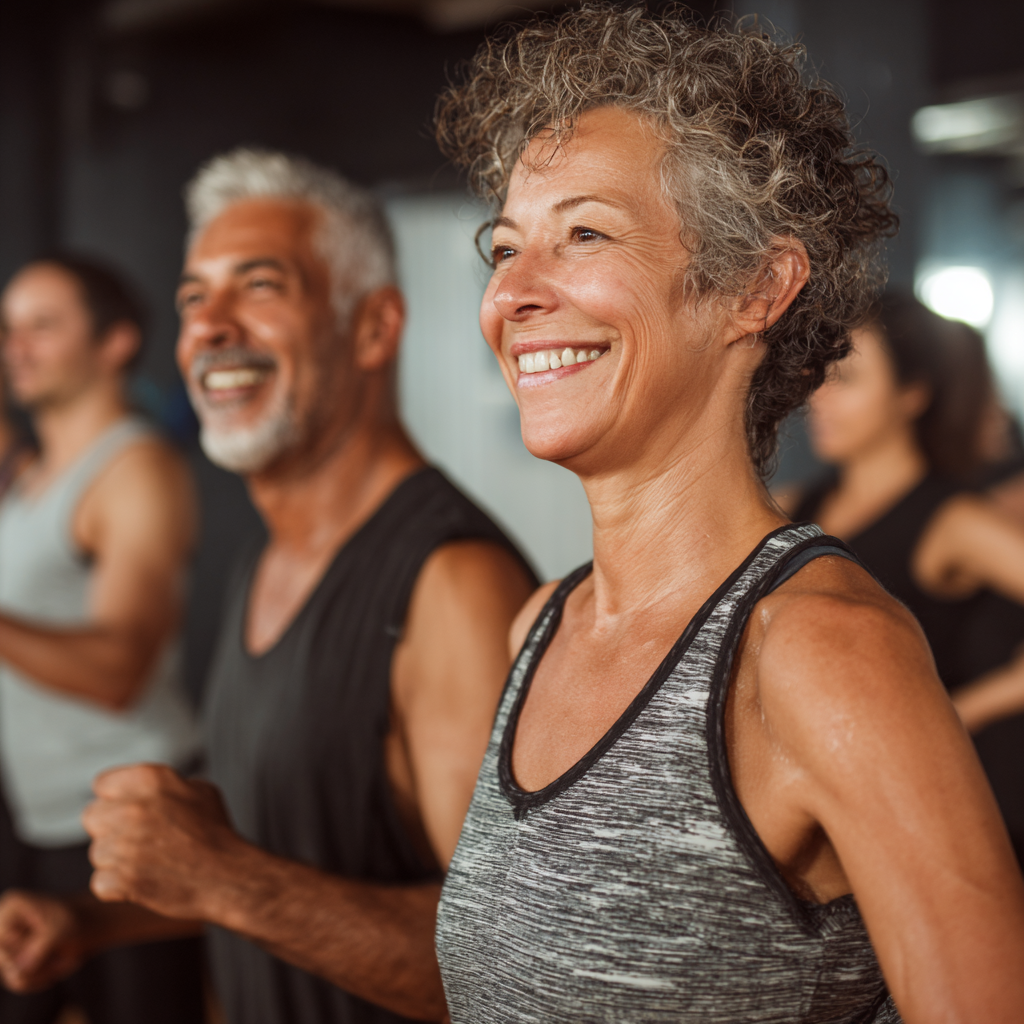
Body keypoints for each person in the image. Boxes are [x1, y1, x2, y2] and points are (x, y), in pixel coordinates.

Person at [429, 6, 1024, 1023]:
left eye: (583, 234)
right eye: (505, 246)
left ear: (755, 287)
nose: (514, 293)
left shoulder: (823, 652)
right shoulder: (538, 628)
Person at [0, 150, 537, 1024]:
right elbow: (284, 864)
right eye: (191, 297)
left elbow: (508, 963)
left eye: (258, 287)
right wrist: (89, 923)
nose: (209, 326)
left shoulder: (451, 583)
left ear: (372, 327)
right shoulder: (267, 560)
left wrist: (223, 877)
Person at [0, 254, 205, 1023]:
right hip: (39, 819)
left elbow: (120, 667)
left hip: (126, 816)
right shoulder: (29, 479)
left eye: (42, 326)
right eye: (8, 327)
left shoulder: (133, 469)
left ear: (115, 342)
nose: (15, 345)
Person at [788, 292, 1024, 862]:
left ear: (912, 394)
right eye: (818, 376)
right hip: (818, 808)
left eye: (846, 378)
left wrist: (962, 711)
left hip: (921, 818)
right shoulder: (791, 506)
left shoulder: (952, 522)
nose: (819, 396)